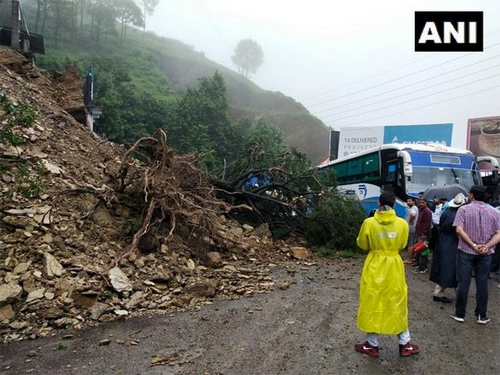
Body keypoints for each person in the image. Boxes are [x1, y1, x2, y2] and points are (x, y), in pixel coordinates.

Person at [354, 191, 420, 357]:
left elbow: (362, 244)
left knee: (372, 300)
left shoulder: (369, 223)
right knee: (397, 300)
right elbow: (404, 243)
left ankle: (372, 344)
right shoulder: (402, 224)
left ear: (378, 203)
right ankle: (405, 343)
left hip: (374, 264)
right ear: (394, 205)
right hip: (394, 266)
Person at [450, 185, 500, 324]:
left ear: (471, 195)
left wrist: (473, 245)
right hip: (486, 253)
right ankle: (481, 315)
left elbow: (459, 230)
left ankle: (460, 314)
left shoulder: (463, 209)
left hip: (466, 251)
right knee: (482, 283)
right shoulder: (494, 212)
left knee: (463, 282)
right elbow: (498, 234)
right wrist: (487, 246)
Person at [429, 193, 466, 303]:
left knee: (444, 267)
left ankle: (442, 291)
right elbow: (456, 231)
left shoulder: (447, 212)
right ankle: (445, 292)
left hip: (443, 241)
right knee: (450, 267)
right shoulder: (457, 215)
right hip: (451, 243)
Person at [414, 198, 432, 273]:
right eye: (420, 202)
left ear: (426, 203)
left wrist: (424, 234)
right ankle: (420, 265)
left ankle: (422, 267)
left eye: (423, 202)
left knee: (423, 251)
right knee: (419, 249)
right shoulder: (421, 210)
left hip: (423, 234)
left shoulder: (427, 211)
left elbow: (427, 224)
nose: (421, 204)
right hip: (419, 233)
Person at [403, 197, 419, 264]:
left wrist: (410, 221)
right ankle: (412, 257)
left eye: (410, 201)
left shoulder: (413, 209)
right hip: (414, 228)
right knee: (412, 243)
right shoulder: (413, 208)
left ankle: (409, 259)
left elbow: (413, 215)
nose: (408, 202)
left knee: (410, 244)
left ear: (413, 202)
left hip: (412, 228)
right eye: (407, 201)